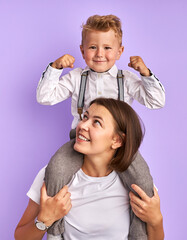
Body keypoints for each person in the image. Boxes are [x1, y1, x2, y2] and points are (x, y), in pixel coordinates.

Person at [36, 14, 165, 238]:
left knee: (143, 182)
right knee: (55, 170)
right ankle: (55, 232)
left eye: (107, 47)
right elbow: (45, 97)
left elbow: (156, 101)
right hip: (81, 143)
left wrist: (145, 73)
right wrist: (55, 68)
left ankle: (137, 235)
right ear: (82, 50)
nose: (99, 54)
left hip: (121, 147)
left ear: (120, 52)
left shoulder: (126, 79)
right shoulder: (77, 78)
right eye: (93, 47)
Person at [15, 98, 164, 240]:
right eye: (85, 117)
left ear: (117, 140)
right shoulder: (51, 175)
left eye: (97, 122)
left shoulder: (136, 187)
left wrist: (156, 220)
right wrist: (45, 219)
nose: (82, 126)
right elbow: (20, 236)